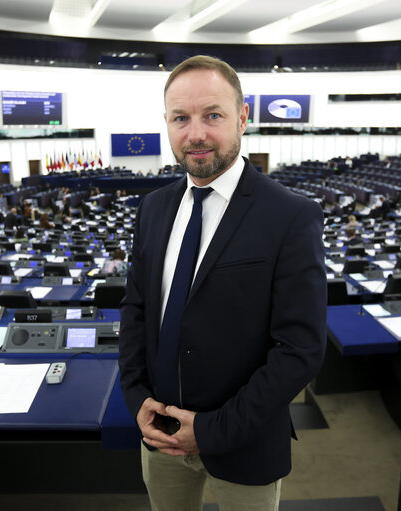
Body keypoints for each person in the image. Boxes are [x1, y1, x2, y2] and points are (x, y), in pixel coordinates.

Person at [118, 55, 326, 511]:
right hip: (160, 434)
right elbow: (136, 311)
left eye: (212, 115)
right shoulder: (152, 209)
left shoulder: (291, 216)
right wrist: (137, 400)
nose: (195, 134)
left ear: (243, 117)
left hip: (244, 442)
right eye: (181, 118)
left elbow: (300, 350)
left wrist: (212, 431)